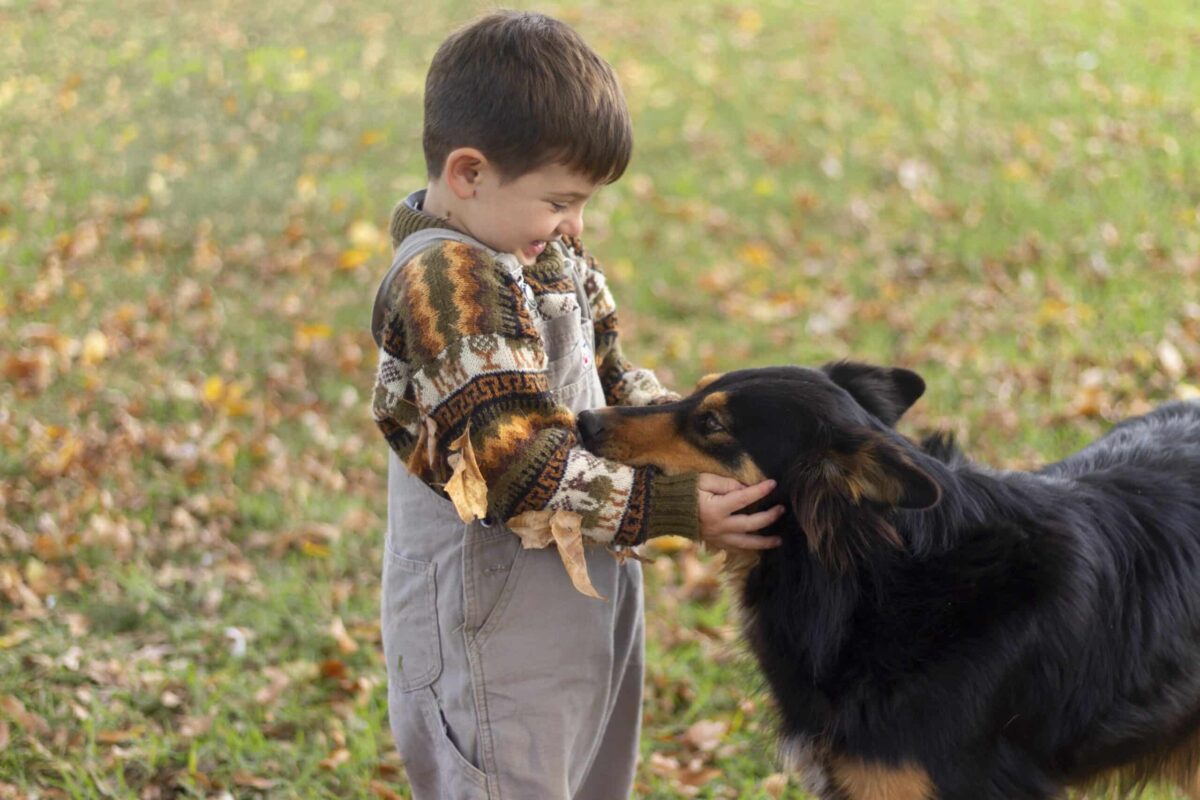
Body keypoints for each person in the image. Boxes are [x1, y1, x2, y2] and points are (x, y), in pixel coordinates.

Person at [369, 11, 782, 799]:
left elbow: (612, 377)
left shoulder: (541, 252)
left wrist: (696, 435)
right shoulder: (445, 285)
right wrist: (678, 508)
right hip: (486, 617)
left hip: (580, 588)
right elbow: (511, 468)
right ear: (468, 173)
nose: (574, 224)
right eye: (559, 200)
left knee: (589, 771)